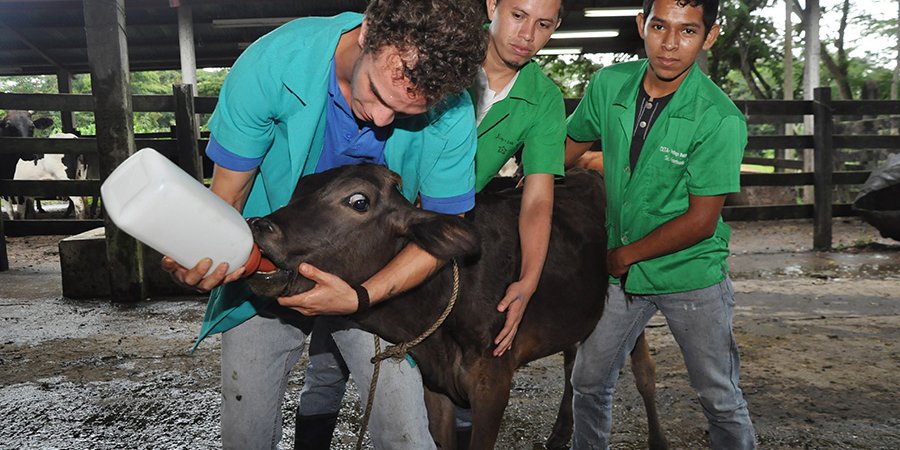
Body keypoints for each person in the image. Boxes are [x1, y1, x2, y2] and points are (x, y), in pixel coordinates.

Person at [161, 1, 488, 449]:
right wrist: (203, 252)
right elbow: (227, 199)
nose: (381, 120)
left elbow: (444, 231)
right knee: (245, 431)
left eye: (408, 112)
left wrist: (361, 297)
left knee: (405, 431)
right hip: (266, 262)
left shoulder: (451, 112)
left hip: (371, 278)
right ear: (368, 31)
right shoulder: (273, 64)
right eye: (376, 92)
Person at [293, 0, 567, 446]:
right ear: (493, 5)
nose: (527, 35)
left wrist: (529, 279)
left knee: (446, 348)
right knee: (331, 353)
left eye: (544, 24)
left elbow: (537, 199)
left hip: (442, 234)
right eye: (517, 15)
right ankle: (312, 434)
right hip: (378, 229)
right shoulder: (433, 46)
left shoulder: (543, 99)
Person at [563, 0, 757, 448]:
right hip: (624, 272)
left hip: (688, 272)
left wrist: (621, 256)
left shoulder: (719, 118)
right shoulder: (609, 84)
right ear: (641, 26)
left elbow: (701, 221)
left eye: (688, 31)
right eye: (659, 27)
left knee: (719, 395)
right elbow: (568, 146)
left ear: (709, 36)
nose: (670, 44)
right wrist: (524, 182)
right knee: (589, 380)